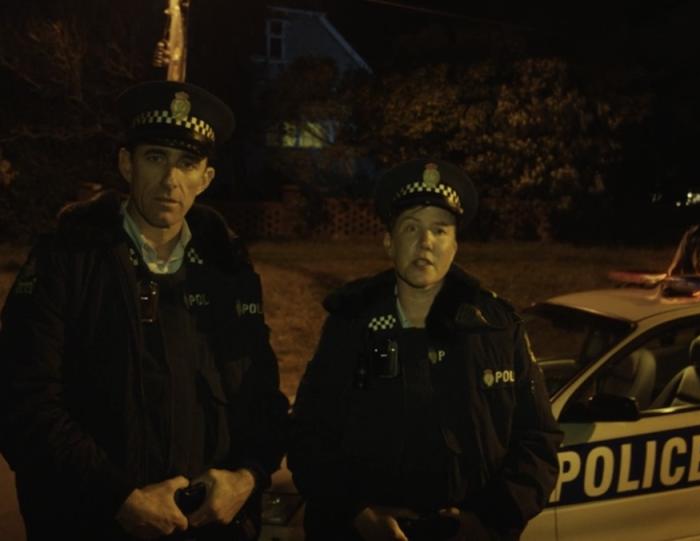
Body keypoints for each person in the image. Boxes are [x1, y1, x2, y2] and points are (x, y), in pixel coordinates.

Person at [0, 80, 289, 540]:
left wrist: (248, 477)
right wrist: (118, 499)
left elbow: (261, 398)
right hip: (91, 523)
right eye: (155, 157)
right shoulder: (68, 258)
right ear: (126, 164)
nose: (170, 180)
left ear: (205, 179)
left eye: (187, 163)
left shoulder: (228, 270)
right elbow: (22, 401)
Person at [288, 159, 562, 541]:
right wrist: (355, 514)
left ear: (455, 245)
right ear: (389, 242)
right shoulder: (350, 326)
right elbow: (309, 436)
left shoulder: (497, 328)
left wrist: (487, 521)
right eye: (412, 228)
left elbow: (537, 439)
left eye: (439, 230)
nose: (426, 243)